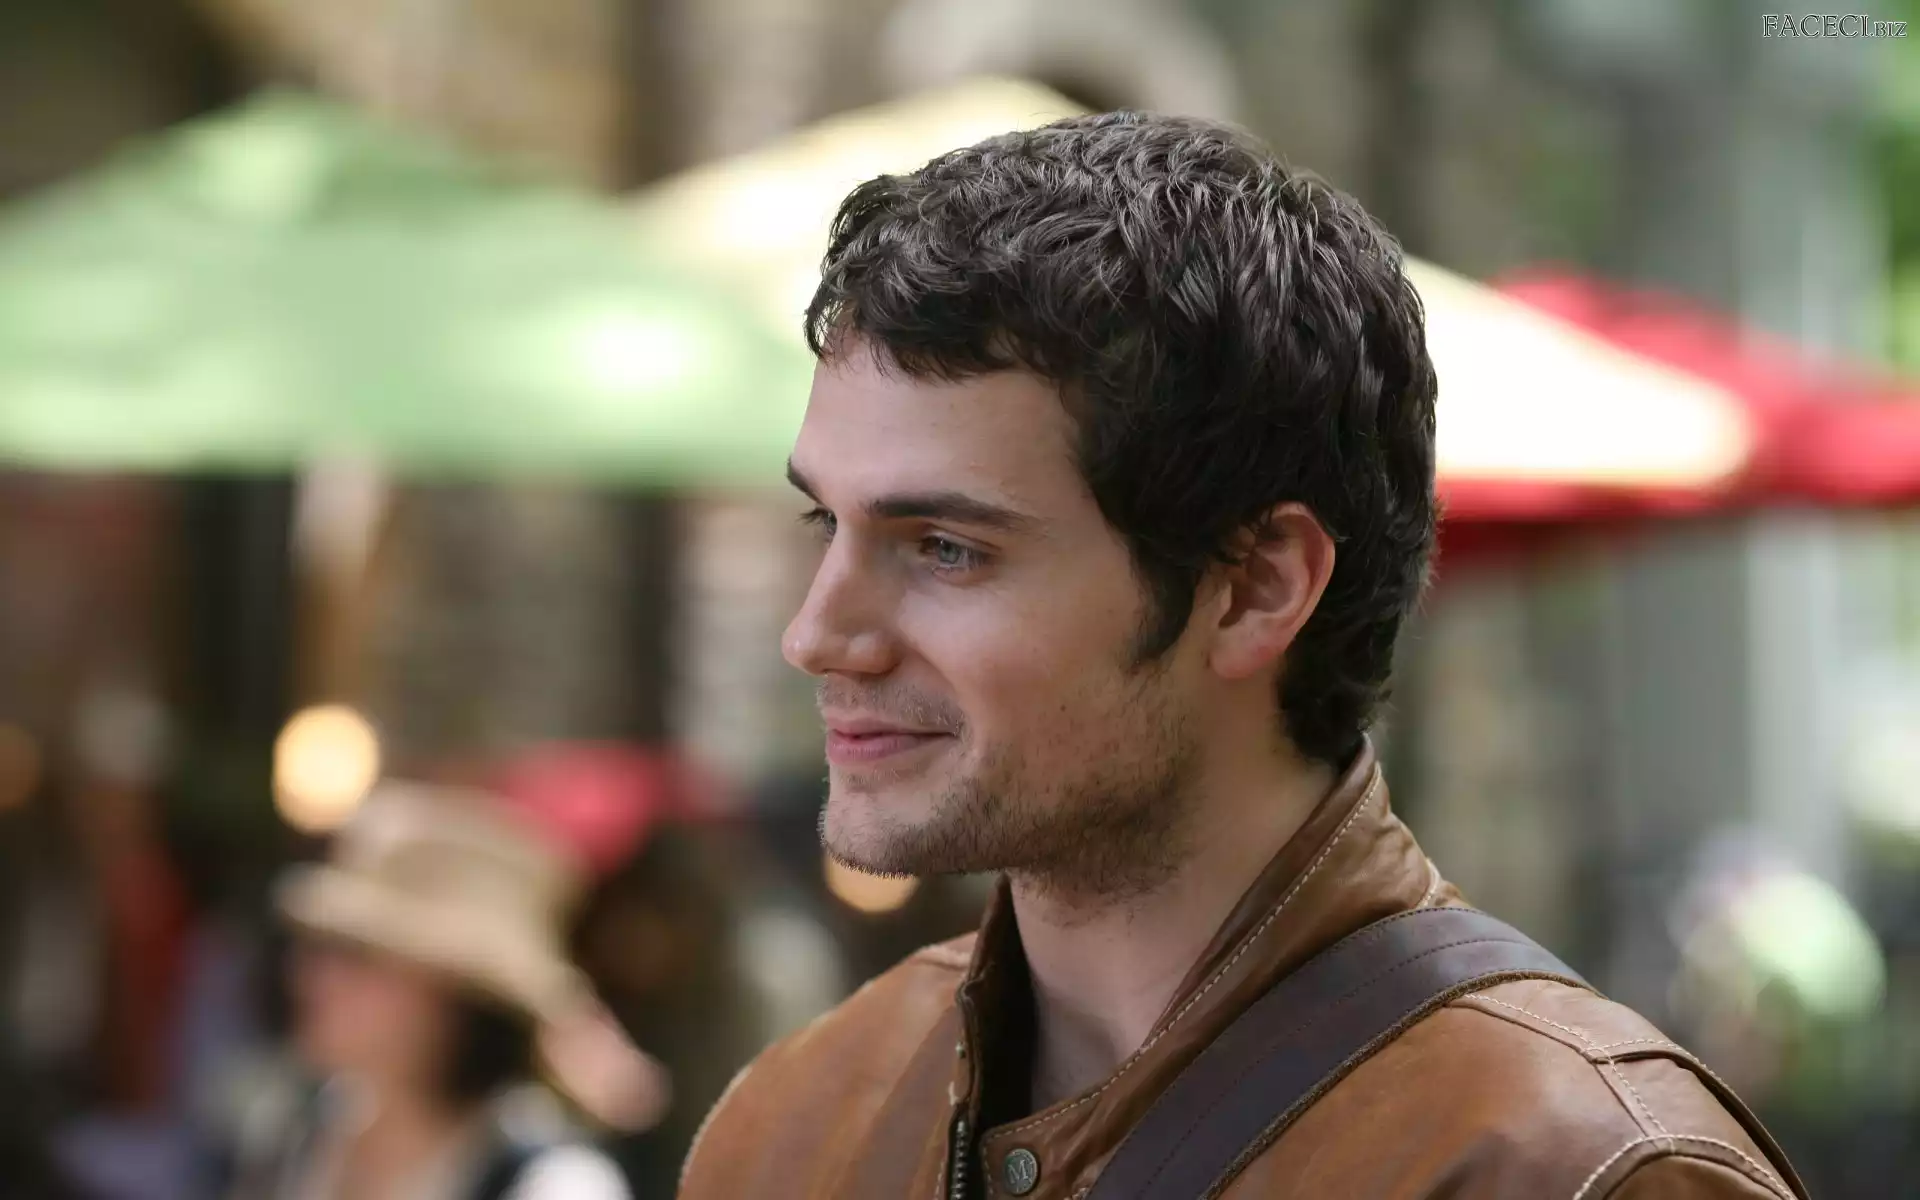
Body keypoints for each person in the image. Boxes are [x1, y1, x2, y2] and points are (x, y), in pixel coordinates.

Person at [677, 112, 1807, 1198]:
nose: (816, 635)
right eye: (826, 523)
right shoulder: (797, 1124)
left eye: (946, 549)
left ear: (1257, 587)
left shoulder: (1571, 1171)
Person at [227, 780, 663, 1200]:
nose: (312, 977)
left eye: (358, 957)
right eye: (322, 950)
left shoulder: (555, 1186)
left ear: (454, 998)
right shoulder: (300, 1137)